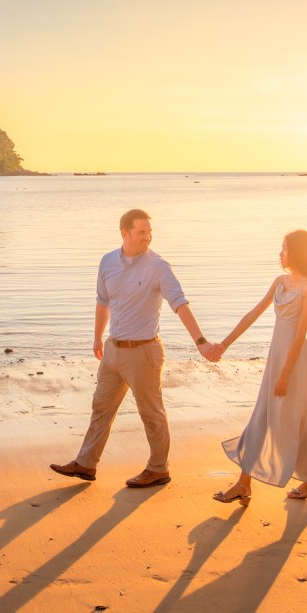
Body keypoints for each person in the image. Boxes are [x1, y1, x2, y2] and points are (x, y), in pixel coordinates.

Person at [51, 209, 222, 489]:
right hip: (113, 350)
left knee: (151, 413)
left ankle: (158, 469)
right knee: (100, 408)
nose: (148, 237)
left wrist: (201, 342)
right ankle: (86, 463)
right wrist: (97, 338)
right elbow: (102, 301)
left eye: (149, 232)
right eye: (142, 232)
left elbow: (179, 303)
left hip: (144, 352)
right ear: (125, 233)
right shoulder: (107, 262)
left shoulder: (158, 266)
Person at [212, 229, 307, 505]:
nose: (280, 253)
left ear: (297, 252)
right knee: (261, 419)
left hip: (294, 363)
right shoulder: (280, 282)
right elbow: (253, 314)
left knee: (295, 423)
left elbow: (299, 335)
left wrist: (285, 375)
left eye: (284, 248)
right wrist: (224, 345)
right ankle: (246, 484)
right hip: (276, 358)